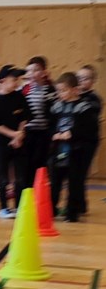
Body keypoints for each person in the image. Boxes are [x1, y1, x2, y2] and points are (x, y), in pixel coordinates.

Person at [49, 72, 100, 222]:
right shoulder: (56, 107)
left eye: (64, 90)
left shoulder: (84, 108)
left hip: (78, 150)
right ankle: (51, 209)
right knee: (55, 180)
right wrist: (54, 134)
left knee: (75, 181)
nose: (61, 94)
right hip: (59, 149)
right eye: (59, 91)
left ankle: (72, 213)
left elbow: (89, 129)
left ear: (75, 90)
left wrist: (71, 133)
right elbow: (51, 125)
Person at [0, 65, 30, 219]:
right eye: (14, 79)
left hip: (19, 142)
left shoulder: (19, 96)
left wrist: (19, 135)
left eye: (18, 79)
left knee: (20, 177)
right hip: (1, 144)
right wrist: (13, 135)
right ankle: (3, 208)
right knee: (3, 177)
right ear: (3, 80)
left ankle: (18, 207)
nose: (17, 82)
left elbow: (25, 117)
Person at [22, 56, 56, 185]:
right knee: (27, 162)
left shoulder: (50, 90)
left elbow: (53, 112)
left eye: (36, 70)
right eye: (29, 71)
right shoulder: (24, 89)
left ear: (43, 72)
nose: (32, 73)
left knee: (39, 162)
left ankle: (39, 189)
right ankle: (27, 189)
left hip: (43, 133)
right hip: (27, 132)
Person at [76, 65, 103, 214]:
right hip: (74, 140)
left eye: (86, 78)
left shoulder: (94, 99)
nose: (82, 81)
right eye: (79, 78)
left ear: (92, 81)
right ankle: (76, 203)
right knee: (73, 174)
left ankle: (80, 205)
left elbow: (90, 114)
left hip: (88, 141)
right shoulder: (73, 96)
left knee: (81, 173)